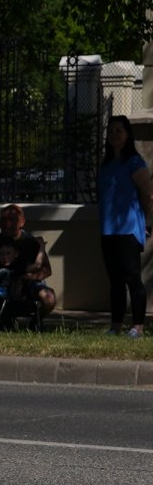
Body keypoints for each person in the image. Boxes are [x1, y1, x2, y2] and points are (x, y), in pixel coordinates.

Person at [97, 115, 153, 338]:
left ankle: (137, 326)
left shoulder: (135, 162)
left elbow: (147, 195)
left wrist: (146, 224)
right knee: (115, 281)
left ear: (128, 134)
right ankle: (116, 325)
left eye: (119, 130)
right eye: (110, 131)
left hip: (129, 230)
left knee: (132, 278)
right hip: (108, 230)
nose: (114, 135)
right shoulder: (107, 164)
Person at [0, 203, 56, 316]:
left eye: (12, 220)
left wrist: (23, 279)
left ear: (22, 222)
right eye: (3, 220)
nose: (7, 224)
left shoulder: (32, 243)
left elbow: (46, 270)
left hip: (28, 283)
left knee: (49, 299)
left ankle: (36, 322)